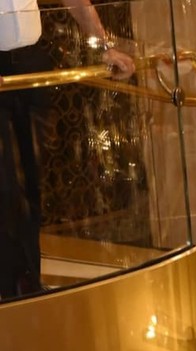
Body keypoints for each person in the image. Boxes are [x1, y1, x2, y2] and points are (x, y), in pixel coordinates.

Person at [0, 0, 134, 298]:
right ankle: (10, 290)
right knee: (6, 186)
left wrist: (106, 47)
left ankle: (28, 283)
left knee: (33, 181)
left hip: (32, 64)